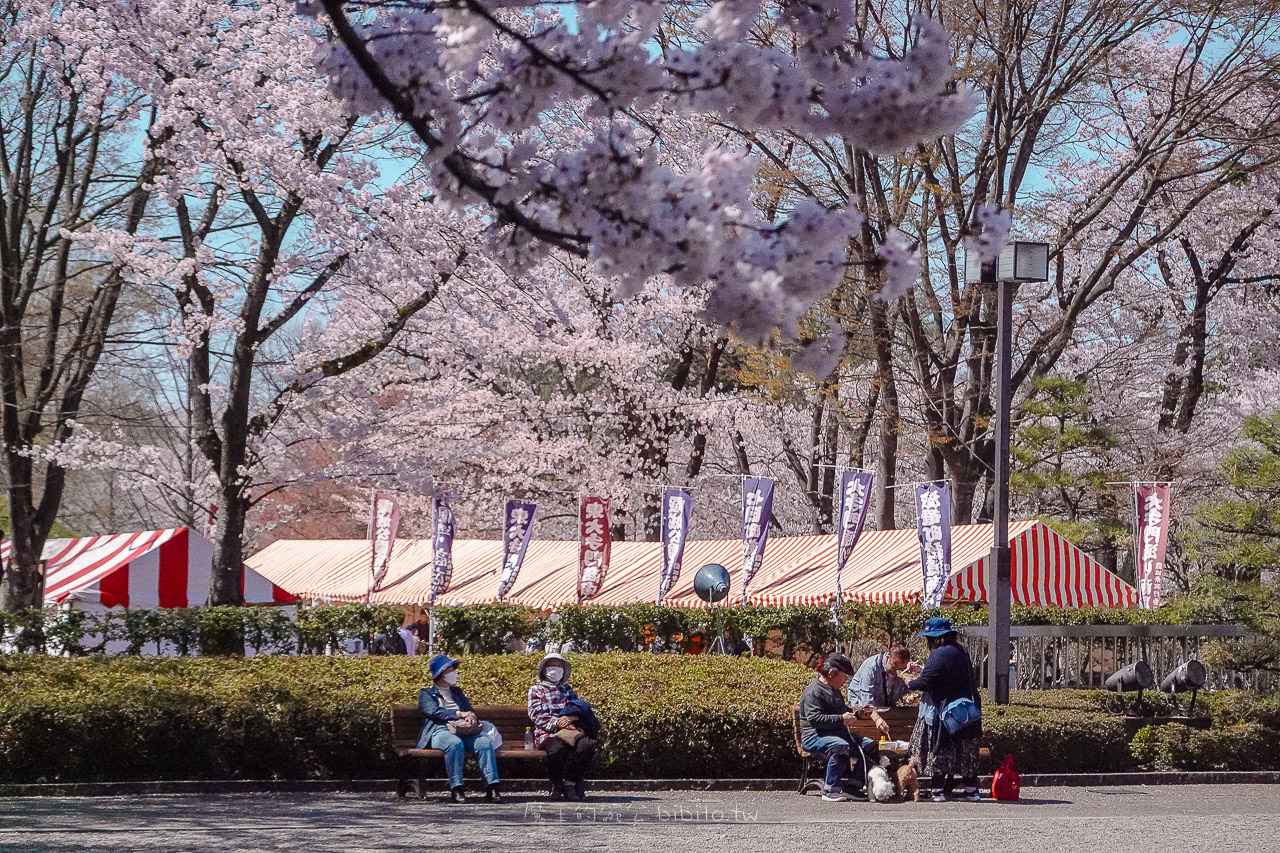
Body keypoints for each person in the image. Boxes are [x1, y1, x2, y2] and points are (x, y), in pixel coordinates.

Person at [906, 617, 982, 803]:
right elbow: (944, 673)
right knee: (965, 750)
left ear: (936, 638)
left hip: (946, 711)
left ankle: (937, 791)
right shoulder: (959, 650)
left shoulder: (940, 653)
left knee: (941, 748)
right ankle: (972, 790)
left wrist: (909, 681)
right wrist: (922, 669)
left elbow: (927, 681)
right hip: (967, 709)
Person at [417, 654, 501, 803]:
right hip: (440, 730)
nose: (454, 674)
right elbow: (434, 712)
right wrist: (458, 714)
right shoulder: (427, 693)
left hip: (463, 730)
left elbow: (468, 709)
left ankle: (492, 786)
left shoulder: (457, 692)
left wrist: (470, 716)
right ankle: (457, 788)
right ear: (442, 674)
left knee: (484, 743)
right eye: (450, 670)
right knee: (454, 743)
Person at [798, 651, 881, 802]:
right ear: (832, 673)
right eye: (844, 676)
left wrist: (858, 714)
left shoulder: (834, 690)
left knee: (870, 746)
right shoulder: (813, 691)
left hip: (837, 733)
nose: (845, 681)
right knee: (840, 746)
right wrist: (841, 719)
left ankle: (854, 785)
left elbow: (842, 712)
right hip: (814, 736)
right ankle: (831, 789)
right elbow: (815, 719)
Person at [527, 652, 596, 801]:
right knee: (557, 749)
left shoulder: (568, 690)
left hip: (570, 731)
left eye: (559, 666)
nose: (555, 669)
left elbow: (578, 709)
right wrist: (555, 723)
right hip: (546, 733)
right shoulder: (536, 690)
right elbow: (536, 715)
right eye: (552, 665)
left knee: (586, 746)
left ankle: (570, 782)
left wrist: (570, 719)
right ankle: (556, 783)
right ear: (544, 669)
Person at [847, 646, 919, 708]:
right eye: (894, 666)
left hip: (884, 705)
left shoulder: (906, 669)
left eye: (901, 669)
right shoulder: (871, 667)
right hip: (860, 702)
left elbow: (919, 687)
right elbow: (866, 699)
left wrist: (917, 671)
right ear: (888, 658)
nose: (896, 672)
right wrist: (877, 719)